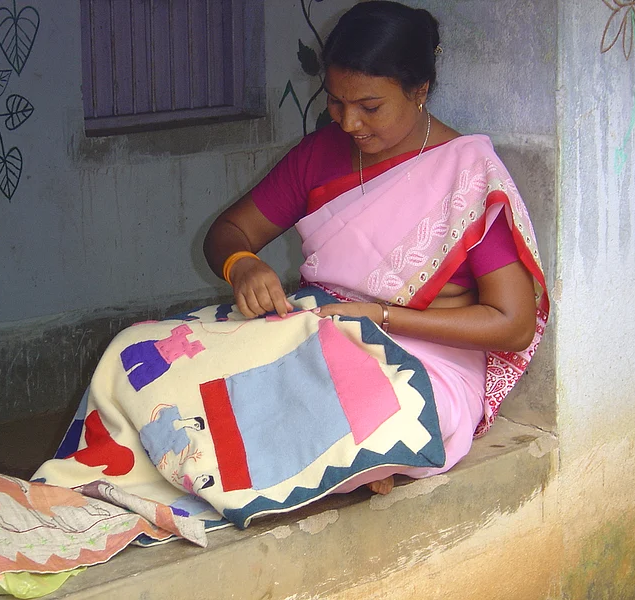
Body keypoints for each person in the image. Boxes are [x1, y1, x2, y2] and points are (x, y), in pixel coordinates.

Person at [203, 1, 548, 495]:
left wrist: (380, 317)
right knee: (156, 362)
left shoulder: (466, 173)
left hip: (428, 363)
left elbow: (512, 325)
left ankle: (368, 457)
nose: (348, 123)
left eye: (370, 107)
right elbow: (229, 233)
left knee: (327, 415)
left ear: (419, 90)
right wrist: (242, 265)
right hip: (319, 332)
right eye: (336, 102)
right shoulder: (319, 154)